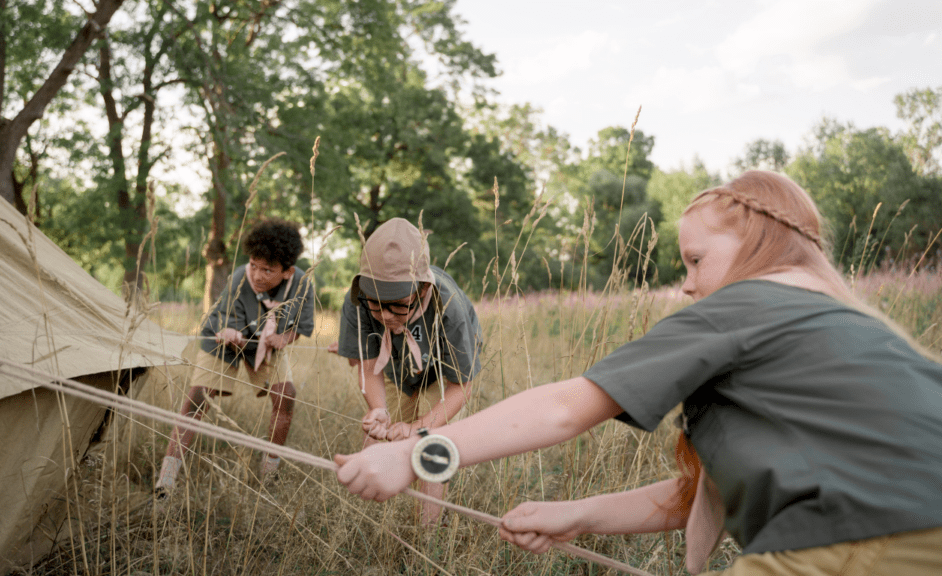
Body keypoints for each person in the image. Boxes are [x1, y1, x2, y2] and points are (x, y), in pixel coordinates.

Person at [334, 171, 942, 574]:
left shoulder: (746, 303)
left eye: (696, 259)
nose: (688, 282)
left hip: (860, 540)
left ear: (758, 242)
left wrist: (415, 454)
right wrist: (579, 515)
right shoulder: (850, 327)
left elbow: (564, 409)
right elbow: (695, 497)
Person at [336, 217, 483, 525]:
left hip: (444, 376)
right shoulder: (357, 302)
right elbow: (366, 365)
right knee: (389, 433)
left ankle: (426, 531)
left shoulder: (449, 306)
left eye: (398, 305)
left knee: (429, 440)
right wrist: (378, 409)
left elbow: (462, 387)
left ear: (422, 289)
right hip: (394, 368)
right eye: (376, 304)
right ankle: (376, 524)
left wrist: (420, 426)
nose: (386, 315)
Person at [156, 218, 314, 497]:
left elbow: (300, 327)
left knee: (286, 396)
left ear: (288, 272)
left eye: (268, 269)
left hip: (267, 344)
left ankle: (269, 475)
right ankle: (166, 480)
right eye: (254, 264)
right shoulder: (241, 276)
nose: (258, 274)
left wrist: (284, 338)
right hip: (225, 339)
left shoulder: (302, 284)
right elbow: (225, 315)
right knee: (197, 398)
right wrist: (228, 331)